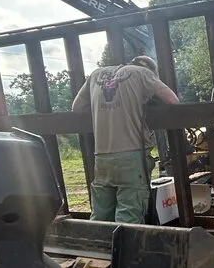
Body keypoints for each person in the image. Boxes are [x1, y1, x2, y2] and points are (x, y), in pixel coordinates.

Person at [71, 55, 179, 224]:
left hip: (102, 157)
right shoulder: (143, 73)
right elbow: (172, 100)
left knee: (101, 216)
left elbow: (76, 108)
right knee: (129, 216)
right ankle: (126, 250)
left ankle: (99, 248)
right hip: (131, 156)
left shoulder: (96, 74)